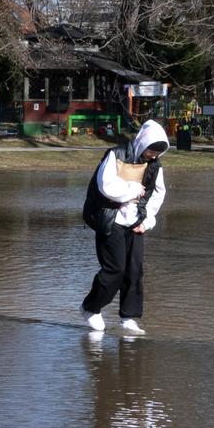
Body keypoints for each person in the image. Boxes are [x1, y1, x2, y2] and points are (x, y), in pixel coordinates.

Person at [80, 121, 169, 338]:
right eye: (151, 150)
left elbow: (157, 194)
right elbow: (105, 185)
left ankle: (129, 318)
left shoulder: (155, 165)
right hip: (110, 220)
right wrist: (132, 190)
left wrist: (146, 221)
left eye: (158, 152)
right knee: (115, 269)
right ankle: (91, 307)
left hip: (135, 223)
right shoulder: (116, 154)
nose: (153, 155)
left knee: (134, 271)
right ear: (142, 143)